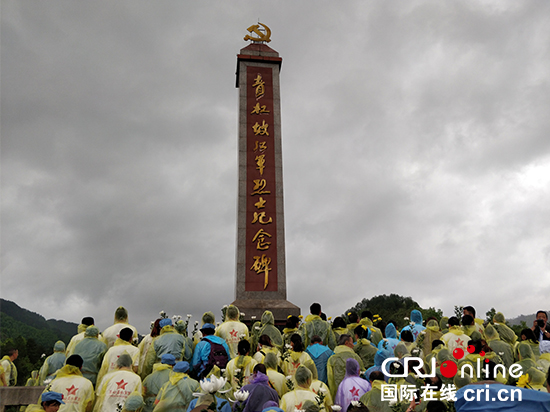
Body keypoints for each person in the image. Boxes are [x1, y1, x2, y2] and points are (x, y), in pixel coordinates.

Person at [326, 335, 364, 399]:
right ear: (346, 343)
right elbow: (362, 373)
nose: (353, 345)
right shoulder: (355, 357)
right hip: (355, 393)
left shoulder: (332, 358)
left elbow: (330, 379)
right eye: (352, 342)